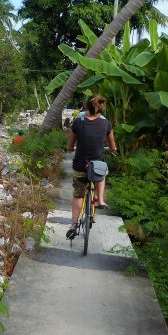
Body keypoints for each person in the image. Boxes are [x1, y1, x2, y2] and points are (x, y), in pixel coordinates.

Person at [67, 94, 116, 239]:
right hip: (97, 166)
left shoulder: (78, 121)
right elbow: (112, 146)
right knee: (102, 172)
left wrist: (70, 149)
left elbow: (70, 145)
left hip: (80, 165)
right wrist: (112, 149)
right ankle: (99, 199)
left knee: (78, 194)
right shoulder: (106, 123)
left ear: (86, 106)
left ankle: (74, 225)